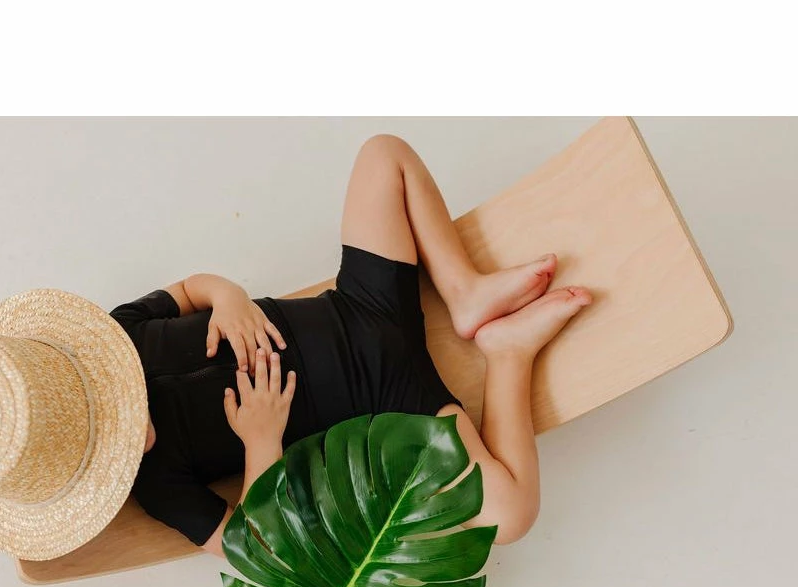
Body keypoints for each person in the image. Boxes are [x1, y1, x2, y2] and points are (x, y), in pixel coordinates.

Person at [109, 134, 592, 557]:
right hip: (389, 403)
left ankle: (463, 290)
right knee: (511, 516)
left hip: (363, 305)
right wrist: (261, 440)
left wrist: (226, 295)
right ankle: (509, 354)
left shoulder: (119, 334)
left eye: (120, 421)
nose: (132, 444)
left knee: (383, 155)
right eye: (110, 459)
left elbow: (189, 289)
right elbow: (254, 549)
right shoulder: (159, 487)